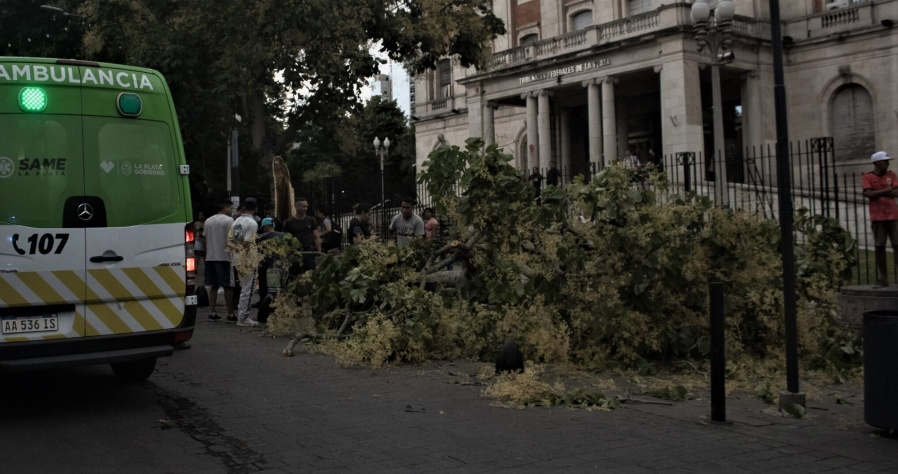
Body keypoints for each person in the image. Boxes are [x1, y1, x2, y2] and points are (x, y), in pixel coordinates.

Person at [862, 151, 898, 287]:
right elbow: (868, 193)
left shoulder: (892, 175)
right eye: (885, 161)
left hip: (893, 215)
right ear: (877, 163)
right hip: (878, 217)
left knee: (897, 245)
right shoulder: (868, 177)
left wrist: (877, 192)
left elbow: (896, 192)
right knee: (880, 246)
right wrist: (887, 190)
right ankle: (883, 278)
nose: (888, 163)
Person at [228, 198, 261, 327]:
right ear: (255, 209)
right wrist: (242, 249)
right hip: (249, 258)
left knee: (244, 288)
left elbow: (231, 241)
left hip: (237, 258)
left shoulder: (237, 221)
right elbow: (247, 242)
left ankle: (242, 316)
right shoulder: (252, 223)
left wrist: (238, 249)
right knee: (248, 288)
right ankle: (243, 317)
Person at [202, 200, 235, 322]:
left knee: (214, 286)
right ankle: (230, 314)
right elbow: (233, 238)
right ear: (225, 207)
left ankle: (212, 312)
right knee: (227, 286)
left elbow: (204, 239)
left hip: (210, 256)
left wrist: (206, 254)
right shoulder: (229, 221)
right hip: (225, 257)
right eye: (231, 208)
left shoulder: (208, 221)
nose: (232, 211)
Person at [256, 217, 286, 324]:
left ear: (266, 227)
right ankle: (278, 313)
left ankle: (268, 314)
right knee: (278, 291)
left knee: (267, 292)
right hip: (280, 267)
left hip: (267, 267)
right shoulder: (283, 236)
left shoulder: (262, 237)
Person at [283, 197, 321, 272]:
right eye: (303, 206)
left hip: (309, 252)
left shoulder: (311, 220)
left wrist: (319, 253)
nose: (306, 208)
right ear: (296, 207)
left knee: (310, 275)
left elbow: (316, 237)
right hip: (295, 253)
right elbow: (285, 240)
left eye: (307, 206)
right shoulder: (288, 222)